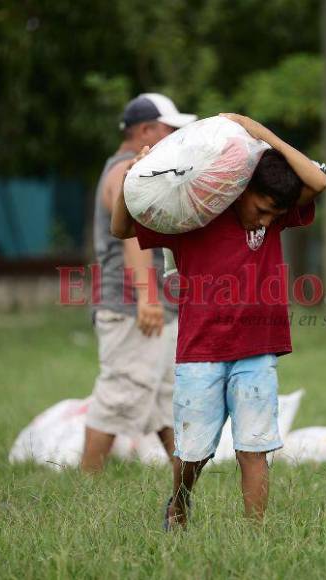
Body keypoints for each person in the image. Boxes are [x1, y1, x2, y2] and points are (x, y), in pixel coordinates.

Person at [111, 113, 326, 528]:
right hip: (200, 350)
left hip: (258, 350)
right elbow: (121, 228)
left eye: (273, 216)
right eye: (262, 210)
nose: (266, 222)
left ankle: (255, 536)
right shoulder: (190, 217)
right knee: (193, 451)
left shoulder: (276, 211)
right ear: (243, 189)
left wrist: (255, 132)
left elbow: (317, 183)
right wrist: (132, 178)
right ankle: (179, 503)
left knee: (254, 446)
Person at [81, 93, 197, 472]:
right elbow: (129, 233)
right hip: (130, 308)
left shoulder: (144, 171)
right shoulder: (121, 172)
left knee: (167, 399)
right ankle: (86, 484)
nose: (174, 136)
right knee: (119, 396)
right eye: (169, 128)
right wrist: (148, 299)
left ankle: (185, 481)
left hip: (152, 310)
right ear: (145, 130)